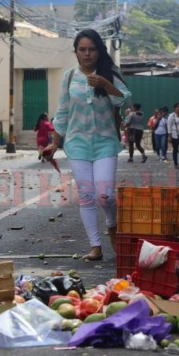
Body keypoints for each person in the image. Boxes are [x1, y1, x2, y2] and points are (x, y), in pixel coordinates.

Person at [44, 29, 131, 262]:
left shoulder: (109, 73)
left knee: (105, 195)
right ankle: (95, 246)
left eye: (91, 49)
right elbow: (62, 111)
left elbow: (123, 98)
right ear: (76, 52)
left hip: (105, 143)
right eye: (82, 49)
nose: (87, 53)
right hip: (77, 143)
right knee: (86, 195)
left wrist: (104, 83)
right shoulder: (70, 76)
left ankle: (112, 223)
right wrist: (53, 144)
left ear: (99, 50)